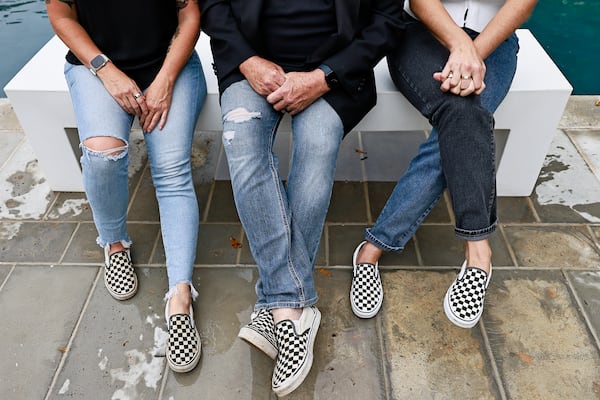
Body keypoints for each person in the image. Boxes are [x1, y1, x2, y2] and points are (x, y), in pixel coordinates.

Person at [199, 0, 403, 396]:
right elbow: (212, 5)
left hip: (334, 70)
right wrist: (247, 61)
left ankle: (273, 302)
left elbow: (388, 20)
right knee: (240, 140)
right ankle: (294, 307)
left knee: (318, 144)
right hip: (252, 62)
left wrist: (324, 76)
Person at [349, 0, 538, 327]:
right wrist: (461, 48)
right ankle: (479, 254)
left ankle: (372, 248)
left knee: (463, 117)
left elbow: (522, 4)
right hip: (420, 35)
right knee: (464, 114)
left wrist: (473, 55)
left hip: (495, 41)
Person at [46, 0, 207, 373]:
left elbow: (188, 12)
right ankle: (115, 244)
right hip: (95, 66)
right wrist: (106, 69)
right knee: (103, 155)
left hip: (169, 64)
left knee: (170, 169)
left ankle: (180, 296)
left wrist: (165, 79)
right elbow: (61, 12)